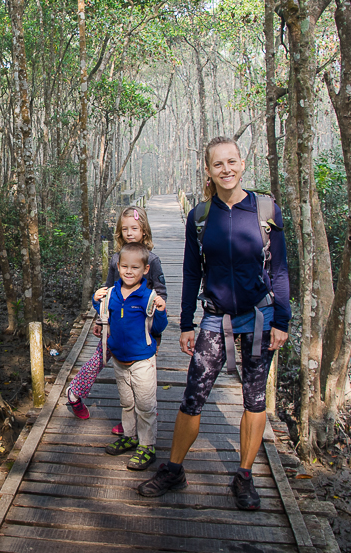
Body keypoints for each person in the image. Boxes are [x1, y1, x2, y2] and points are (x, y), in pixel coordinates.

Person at [137, 136, 290, 510]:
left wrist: (283, 320)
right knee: (193, 396)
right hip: (215, 318)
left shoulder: (266, 209)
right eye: (218, 164)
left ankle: (244, 476)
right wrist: (185, 322)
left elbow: (281, 269)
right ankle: (174, 469)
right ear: (208, 170)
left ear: (242, 163)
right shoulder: (201, 216)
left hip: (260, 316)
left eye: (231, 162)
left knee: (254, 400)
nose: (226, 169)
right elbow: (191, 272)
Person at [66, 205, 167, 433]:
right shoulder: (115, 259)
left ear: (144, 230)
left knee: (143, 378)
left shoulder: (153, 260)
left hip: (143, 328)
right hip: (116, 323)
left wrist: (158, 312)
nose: (129, 233)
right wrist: (101, 320)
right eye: (125, 229)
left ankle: (137, 422)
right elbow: (109, 290)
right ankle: (75, 393)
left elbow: (161, 291)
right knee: (100, 358)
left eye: (134, 228)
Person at [92, 243, 168, 471]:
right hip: (119, 360)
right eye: (124, 266)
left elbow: (158, 328)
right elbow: (104, 314)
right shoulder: (113, 293)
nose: (128, 271)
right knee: (127, 402)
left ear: (145, 269)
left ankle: (147, 446)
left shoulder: (148, 296)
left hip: (143, 360)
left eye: (135, 267)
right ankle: (130, 435)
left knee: (145, 405)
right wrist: (97, 301)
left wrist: (161, 310)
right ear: (118, 266)